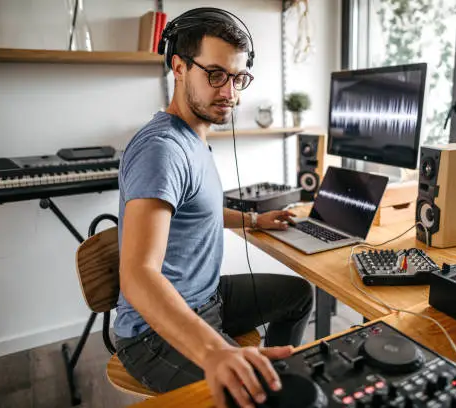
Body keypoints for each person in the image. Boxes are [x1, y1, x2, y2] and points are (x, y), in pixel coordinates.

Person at [113, 7, 314, 408]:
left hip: (208, 298)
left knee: (299, 294)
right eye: (216, 74)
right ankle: (259, 383)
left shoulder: (192, 136)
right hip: (152, 334)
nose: (231, 93)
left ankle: (271, 369)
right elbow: (138, 274)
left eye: (239, 78)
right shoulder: (162, 150)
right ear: (179, 67)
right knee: (259, 396)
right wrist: (214, 352)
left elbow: (197, 210)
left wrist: (256, 220)